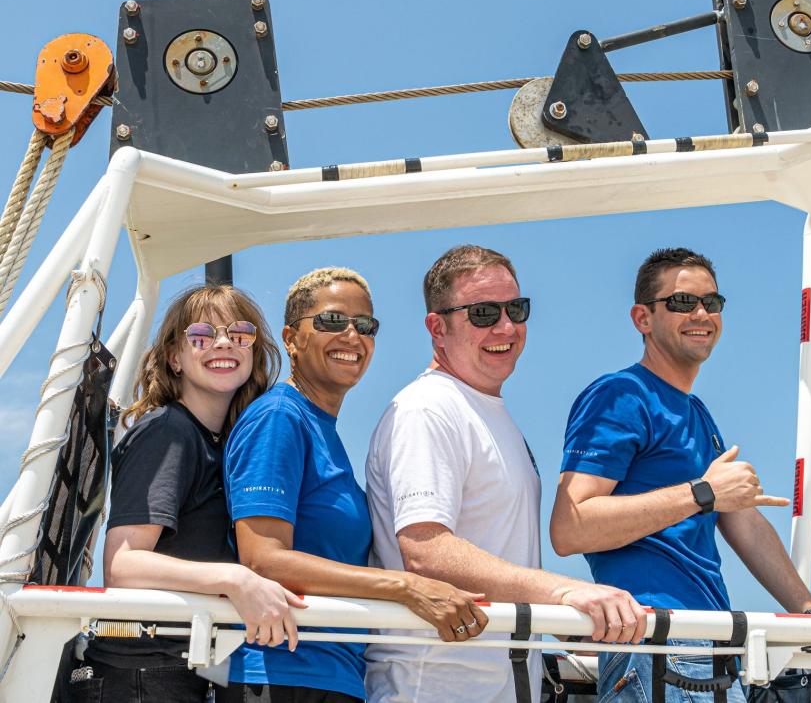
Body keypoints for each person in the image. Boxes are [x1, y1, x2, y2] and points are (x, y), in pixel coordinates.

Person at [364, 245, 647, 703]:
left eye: (516, 309)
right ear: (437, 327)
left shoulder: (489, 413)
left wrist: (558, 620)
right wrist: (563, 591)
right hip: (433, 690)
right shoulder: (427, 409)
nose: (506, 327)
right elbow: (426, 549)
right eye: (482, 313)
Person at [551, 247, 811, 703]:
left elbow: (741, 522)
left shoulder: (697, 413)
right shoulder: (620, 394)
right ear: (643, 318)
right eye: (682, 302)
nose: (701, 313)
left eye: (711, 302)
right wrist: (702, 492)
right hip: (658, 643)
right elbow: (570, 527)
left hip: (712, 646)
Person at [222, 267, 488, 703]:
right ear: (292, 338)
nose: (351, 336)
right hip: (284, 674)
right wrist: (406, 587)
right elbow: (262, 560)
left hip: (334, 677)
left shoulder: (323, 430)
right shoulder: (279, 418)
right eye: (331, 321)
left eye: (365, 326)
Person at [72, 285, 306, 703]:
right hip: (139, 675)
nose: (222, 343)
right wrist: (235, 578)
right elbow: (123, 566)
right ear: (174, 358)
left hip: (178, 669)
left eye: (239, 334)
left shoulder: (218, 442)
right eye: (201, 335)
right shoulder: (168, 432)